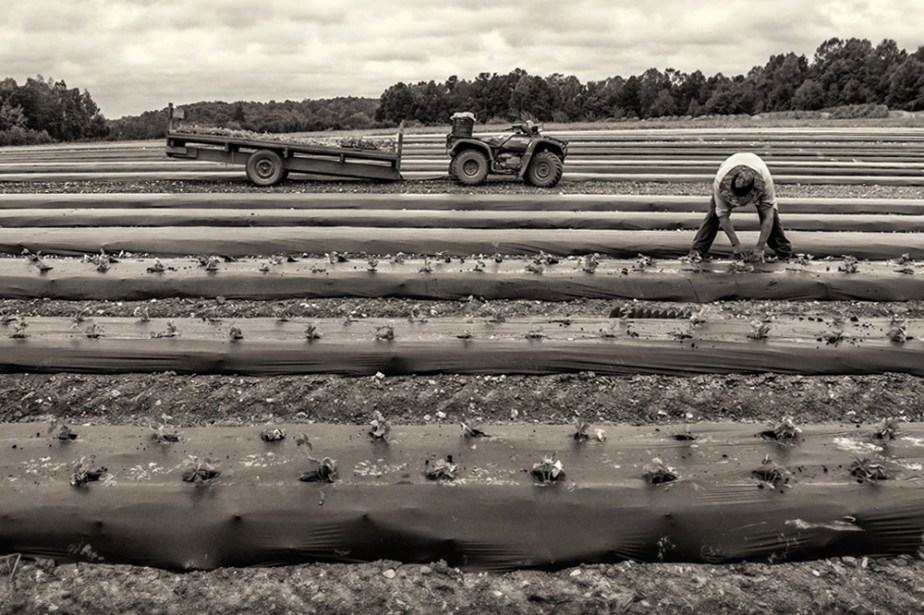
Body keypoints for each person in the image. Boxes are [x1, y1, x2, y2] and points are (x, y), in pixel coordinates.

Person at [688, 152, 792, 262]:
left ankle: (784, 253)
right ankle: (697, 252)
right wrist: (736, 245)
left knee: (773, 219)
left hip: (757, 166)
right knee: (713, 216)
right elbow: (723, 216)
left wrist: (760, 247)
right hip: (730, 166)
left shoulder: (765, 181)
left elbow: (768, 217)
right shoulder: (720, 183)